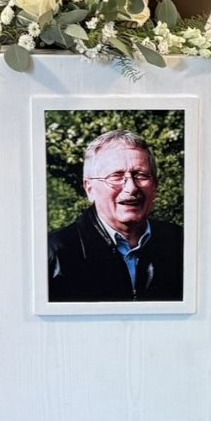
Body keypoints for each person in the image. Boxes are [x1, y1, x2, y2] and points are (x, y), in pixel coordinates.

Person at [47, 129, 184, 302]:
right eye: (116, 176)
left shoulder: (181, 244)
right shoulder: (54, 255)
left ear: (155, 186)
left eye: (140, 175)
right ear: (89, 188)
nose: (131, 188)